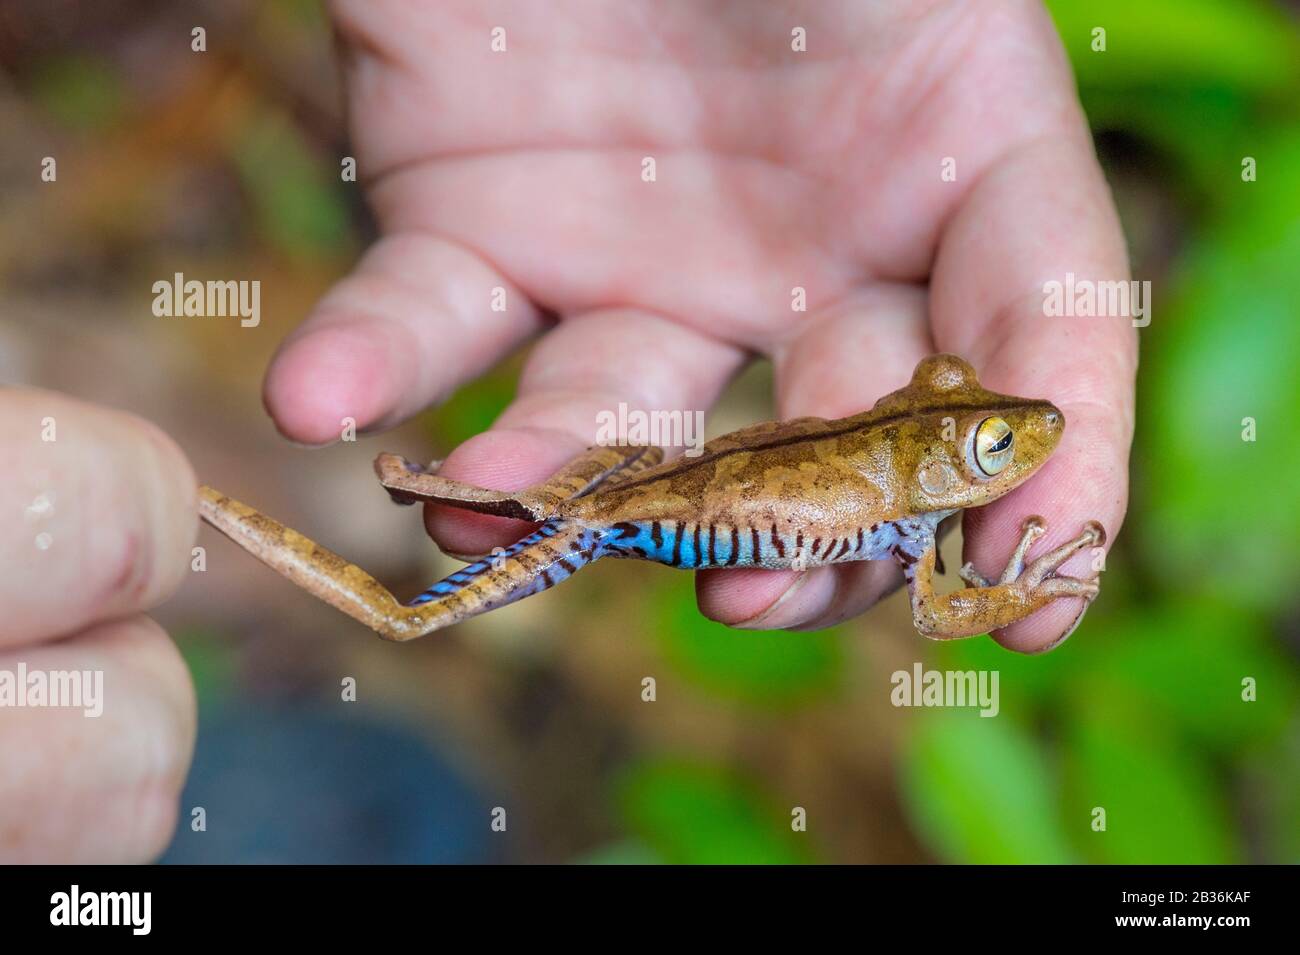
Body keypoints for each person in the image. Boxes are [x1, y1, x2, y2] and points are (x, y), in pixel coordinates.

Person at [1, 0, 1134, 861]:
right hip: (639, 505)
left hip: (654, 488)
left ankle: (254, 502)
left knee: (398, 776)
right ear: (920, 428)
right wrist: (1017, 587)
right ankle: (211, 504)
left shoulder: (909, 513)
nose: (1011, 443)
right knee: (404, 632)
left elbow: (935, 606)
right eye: (981, 441)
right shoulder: (911, 518)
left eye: (988, 443)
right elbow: (944, 614)